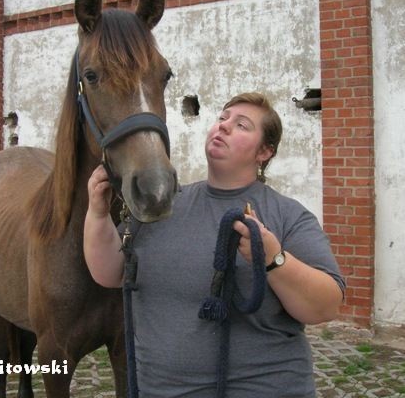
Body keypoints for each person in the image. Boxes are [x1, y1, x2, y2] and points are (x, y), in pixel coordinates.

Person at [84, 92, 345, 398]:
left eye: (242, 125)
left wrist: (273, 259)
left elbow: (326, 306)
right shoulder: (165, 203)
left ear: (264, 152)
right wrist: (98, 213)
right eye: (222, 118)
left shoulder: (287, 215)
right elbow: (110, 273)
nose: (223, 126)